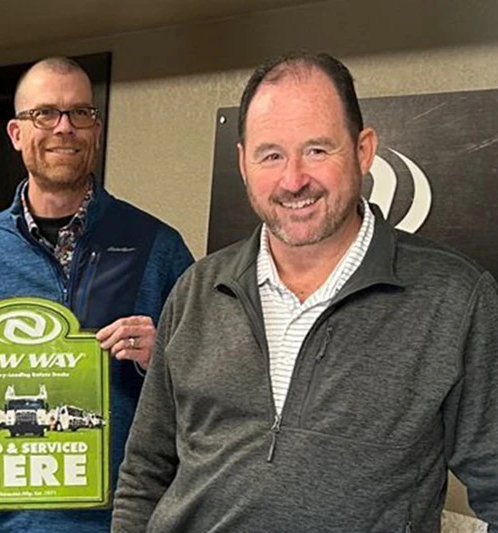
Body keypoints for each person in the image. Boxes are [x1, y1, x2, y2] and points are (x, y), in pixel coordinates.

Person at [112, 51, 498, 532]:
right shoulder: (198, 290)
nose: (293, 180)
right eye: (271, 154)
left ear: (363, 151)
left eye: (317, 149)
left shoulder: (454, 298)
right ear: (244, 163)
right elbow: (145, 471)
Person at [0, 56, 195, 532]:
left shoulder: (158, 247)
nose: (64, 128)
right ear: (16, 133)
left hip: (120, 520)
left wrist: (162, 357)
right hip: (4, 520)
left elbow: (210, 388)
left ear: (97, 130)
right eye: (45, 113)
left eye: (79, 113)